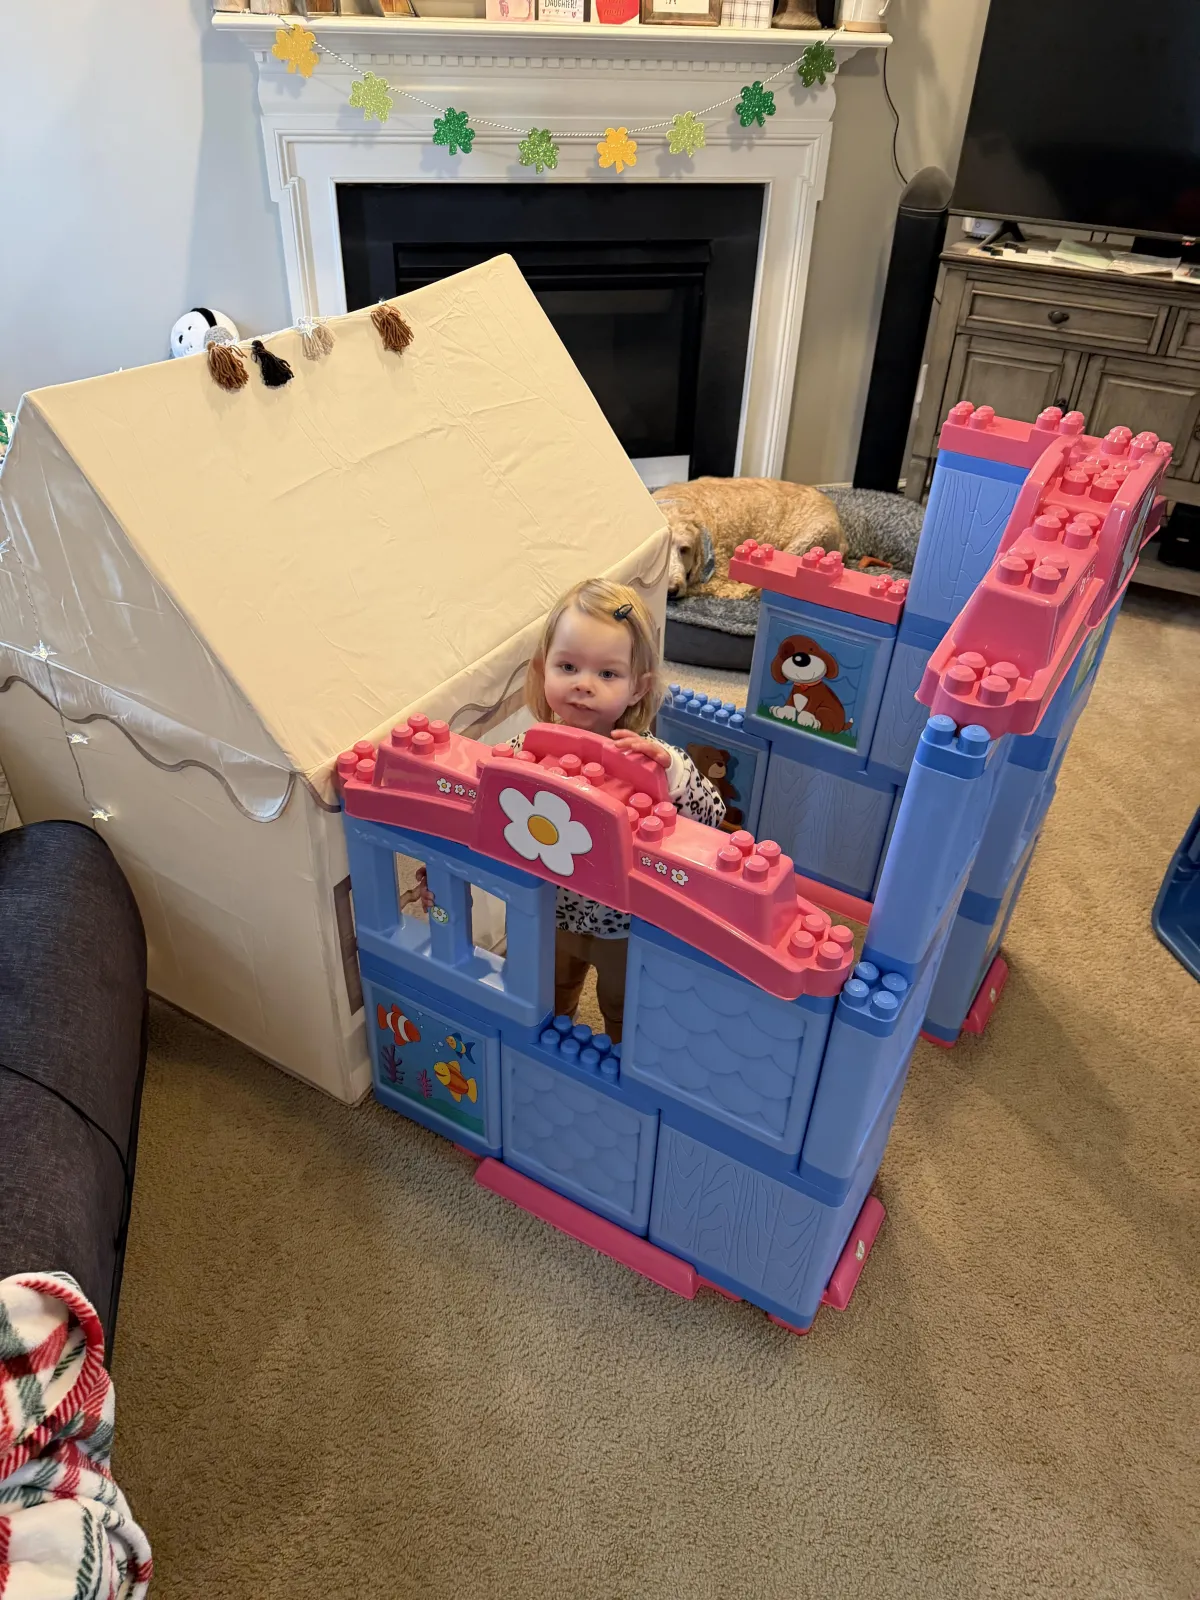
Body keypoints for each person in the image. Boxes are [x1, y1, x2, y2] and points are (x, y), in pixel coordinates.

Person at [421, 577, 724, 1041]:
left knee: (624, 1003)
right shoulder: (524, 748)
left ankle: (623, 1063)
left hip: (623, 921)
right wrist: (438, 864)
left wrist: (674, 775)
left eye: (607, 674)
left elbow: (712, 817)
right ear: (544, 670)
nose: (584, 685)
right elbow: (483, 810)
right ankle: (548, 1048)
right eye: (568, 666)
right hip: (544, 905)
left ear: (638, 688)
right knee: (547, 990)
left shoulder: (650, 759)